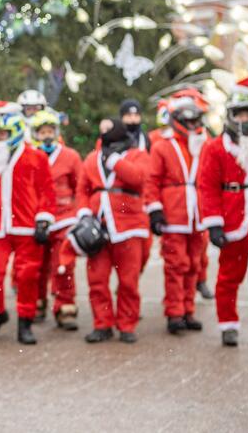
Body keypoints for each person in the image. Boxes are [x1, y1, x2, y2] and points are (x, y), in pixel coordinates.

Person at [0, 111, 56, 345]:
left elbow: (47, 190)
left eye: (3, 133)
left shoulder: (36, 157)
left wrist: (43, 219)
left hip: (26, 225)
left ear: (15, 132)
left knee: (27, 276)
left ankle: (25, 321)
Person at [78, 117, 149, 344]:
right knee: (97, 279)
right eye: (103, 130)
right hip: (98, 227)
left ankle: (127, 324)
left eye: (110, 129)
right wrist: (84, 215)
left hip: (129, 227)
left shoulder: (138, 154)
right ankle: (103, 324)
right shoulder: (91, 158)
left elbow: (138, 179)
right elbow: (82, 190)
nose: (106, 133)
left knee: (128, 281)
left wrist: (115, 161)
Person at [145, 93, 209, 335]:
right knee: (175, 265)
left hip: (197, 213)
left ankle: (188, 310)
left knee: (194, 264)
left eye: (196, 122)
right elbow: (152, 181)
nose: (193, 126)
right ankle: (174, 312)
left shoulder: (203, 144)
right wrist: (155, 210)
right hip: (174, 214)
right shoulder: (162, 146)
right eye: (189, 122)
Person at [197, 76, 248, 347]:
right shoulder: (215, 148)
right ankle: (228, 323)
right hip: (233, 216)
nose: (244, 120)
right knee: (230, 275)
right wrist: (214, 223)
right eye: (239, 114)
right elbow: (207, 187)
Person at [28, 109, 82, 330]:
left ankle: (65, 306)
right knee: (36, 266)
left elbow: (79, 187)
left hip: (64, 217)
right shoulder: (28, 156)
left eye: (50, 131)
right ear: (35, 134)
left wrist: (79, 214)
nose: (47, 135)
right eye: (42, 132)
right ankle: (36, 303)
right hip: (37, 218)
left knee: (63, 265)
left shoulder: (70, 156)